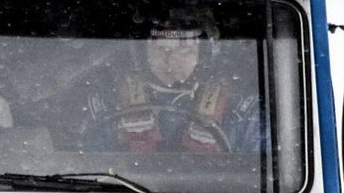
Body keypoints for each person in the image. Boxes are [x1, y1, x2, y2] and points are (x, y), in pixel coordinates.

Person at [84, 16, 262, 158]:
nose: (171, 62)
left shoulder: (239, 110)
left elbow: (261, 176)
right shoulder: (110, 101)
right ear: (142, 53)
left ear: (203, 55)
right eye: (161, 49)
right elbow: (89, 169)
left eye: (184, 50)